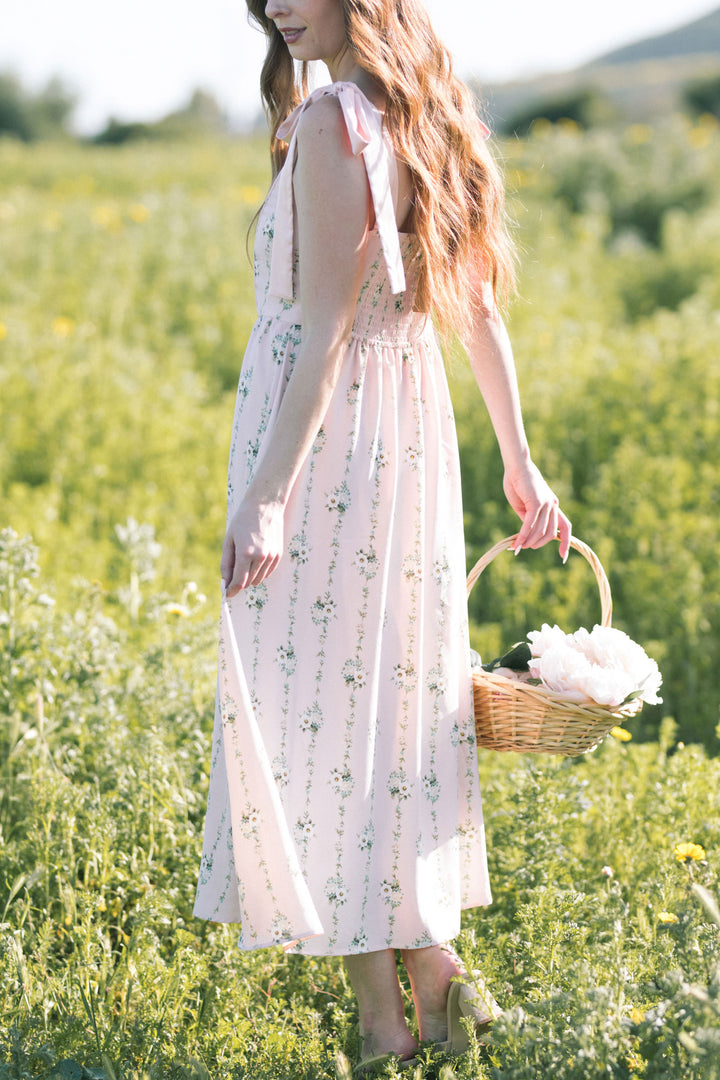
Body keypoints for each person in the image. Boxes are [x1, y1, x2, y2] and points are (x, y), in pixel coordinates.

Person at [194, 0, 572, 1071]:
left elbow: (318, 329)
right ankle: (437, 981)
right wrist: (517, 454)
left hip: (326, 445)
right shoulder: (428, 110)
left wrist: (267, 490)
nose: (274, 7)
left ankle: (385, 1028)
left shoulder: (329, 124)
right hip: (410, 436)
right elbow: (477, 307)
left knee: (317, 717)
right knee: (393, 710)